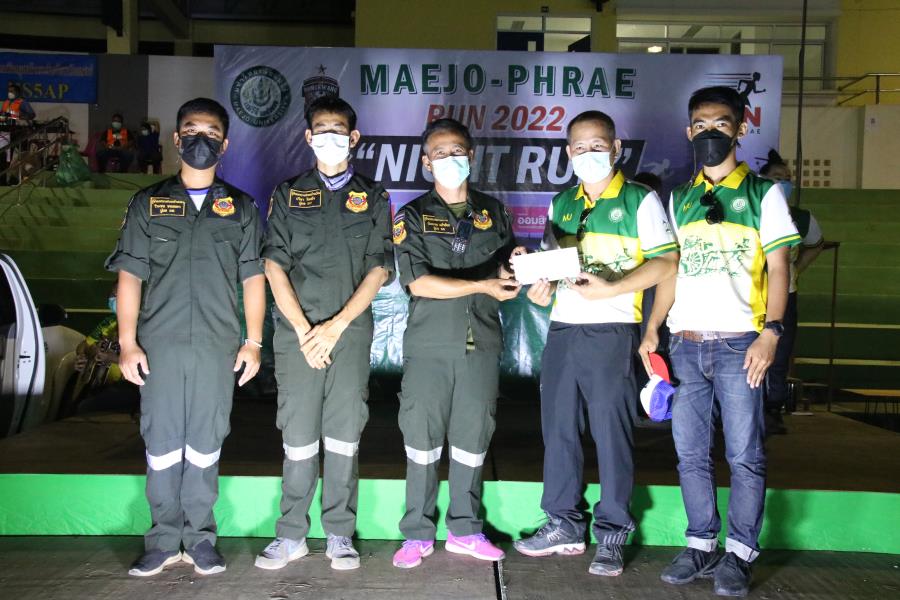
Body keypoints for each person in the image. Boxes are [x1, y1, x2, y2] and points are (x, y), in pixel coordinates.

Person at [641, 87, 800, 597]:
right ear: (689, 131)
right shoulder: (680, 197)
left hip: (740, 345)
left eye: (721, 123)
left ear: (740, 129)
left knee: (744, 454)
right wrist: (654, 326)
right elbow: (670, 270)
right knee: (690, 454)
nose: (710, 132)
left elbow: (780, 267)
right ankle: (701, 544)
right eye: (701, 124)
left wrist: (772, 332)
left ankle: (740, 553)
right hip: (685, 343)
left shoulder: (762, 194)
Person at [511, 112, 678, 576]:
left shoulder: (640, 199)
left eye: (598, 145)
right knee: (559, 429)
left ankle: (612, 534)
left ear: (616, 148)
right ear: (568, 153)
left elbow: (667, 264)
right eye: (580, 147)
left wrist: (614, 289)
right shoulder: (561, 202)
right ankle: (563, 524)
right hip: (563, 329)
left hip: (613, 329)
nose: (589, 154)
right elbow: (552, 265)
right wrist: (539, 283)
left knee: (610, 433)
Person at [105, 97, 265, 577]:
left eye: (212, 133)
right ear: (176, 139)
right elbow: (130, 276)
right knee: (161, 441)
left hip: (217, 346)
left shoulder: (240, 208)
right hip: (161, 346)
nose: (201, 139)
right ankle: (161, 541)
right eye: (192, 130)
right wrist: (127, 342)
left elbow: (253, 279)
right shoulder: (148, 203)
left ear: (225, 144)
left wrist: (253, 341)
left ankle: (199, 539)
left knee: (206, 441)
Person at [255, 96, 393, 572]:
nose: (330, 136)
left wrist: (334, 328)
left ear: (353, 138)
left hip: (348, 334)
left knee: (343, 435)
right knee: (297, 436)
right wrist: (303, 330)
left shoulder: (373, 197)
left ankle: (339, 533)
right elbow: (273, 265)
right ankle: (291, 534)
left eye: (339, 129)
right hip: (297, 336)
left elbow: (378, 269)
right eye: (321, 129)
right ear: (308, 137)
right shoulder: (288, 194)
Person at [391, 117, 519, 569]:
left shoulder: (493, 212)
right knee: (421, 440)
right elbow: (418, 283)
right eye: (440, 153)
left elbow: (505, 268)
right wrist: (483, 285)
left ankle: (465, 529)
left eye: (457, 151)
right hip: (429, 346)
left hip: (480, 344)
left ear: (472, 156)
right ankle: (417, 533)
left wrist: (514, 268)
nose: (450, 159)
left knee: (473, 437)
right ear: (426, 162)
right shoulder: (411, 216)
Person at [759, 149, 824, 434]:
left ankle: (772, 408)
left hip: (785, 295)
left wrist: (796, 268)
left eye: (786, 178)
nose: (783, 183)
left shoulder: (801, 218)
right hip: (750, 295)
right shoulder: (751, 211)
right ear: (763, 180)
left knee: (779, 352)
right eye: (777, 177)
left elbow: (816, 245)